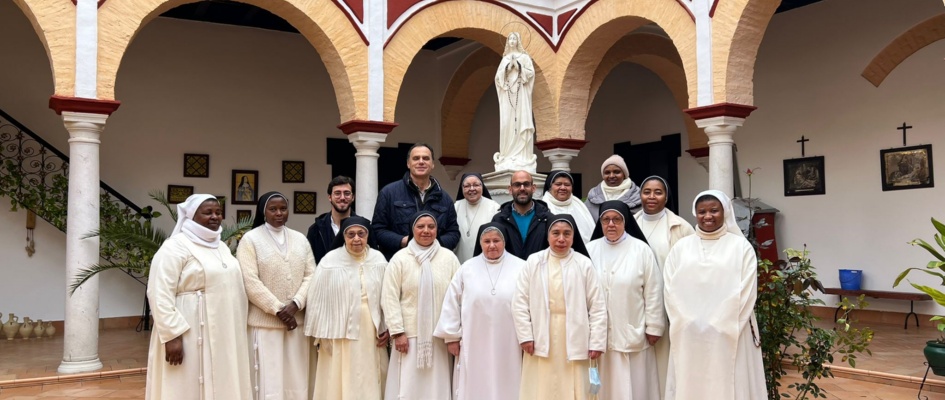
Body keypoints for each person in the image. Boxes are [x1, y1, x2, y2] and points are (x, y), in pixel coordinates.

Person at [146, 194, 252, 399]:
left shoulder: (221, 246)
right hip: (189, 330)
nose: (215, 216)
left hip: (224, 330)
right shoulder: (175, 246)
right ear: (192, 216)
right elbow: (159, 293)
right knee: (189, 382)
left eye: (218, 212)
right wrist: (171, 336)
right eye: (208, 212)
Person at [663, 190, 765, 400]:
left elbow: (746, 290)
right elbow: (670, 289)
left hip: (730, 329)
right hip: (688, 332)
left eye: (714, 211)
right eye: (702, 212)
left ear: (725, 212)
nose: (707, 216)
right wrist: (687, 320)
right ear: (695, 213)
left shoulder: (741, 248)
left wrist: (719, 323)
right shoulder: (681, 248)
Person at [512, 214, 606, 400]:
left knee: (576, 385)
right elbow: (520, 302)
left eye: (566, 234)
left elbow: (597, 306)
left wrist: (596, 341)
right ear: (548, 236)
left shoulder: (584, 264)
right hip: (540, 333)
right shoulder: (534, 262)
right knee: (541, 386)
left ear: (573, 237)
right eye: (556, 233)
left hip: (576, 334)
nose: (561, 239)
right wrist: (525, 336)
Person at [434, 222, 526, 400]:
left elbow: (530, 304)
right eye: (487, 241)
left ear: (504, 242)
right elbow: (452, 303)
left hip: (510, 341)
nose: (492, 245)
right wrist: (452, 337)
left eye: (496, 240)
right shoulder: (466, 269)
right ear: (481, 243)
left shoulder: (521, 267)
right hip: (474, 340)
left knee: (508, 381)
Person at [237, 192, 315, 400]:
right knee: (269, 378)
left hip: (296, 323)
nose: (279, 213)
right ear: (263, 212)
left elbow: (311, 275)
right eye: (273, 209)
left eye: (283, 208)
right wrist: (278, 309)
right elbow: (249, 281)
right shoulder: (250, 240)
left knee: (296, 376)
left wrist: (296, 304)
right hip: (266, 324)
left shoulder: (300, 239)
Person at [305, 216, 390, 400]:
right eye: (351, 234)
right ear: (344, 237)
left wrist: (387, 326)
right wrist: (323, 333)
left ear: (368, 235)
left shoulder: (379, 259)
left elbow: (388, 297)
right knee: (340, 374)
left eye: (361, 234)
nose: (356, 239)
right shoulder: (330, 261)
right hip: (339, 330)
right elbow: (317, 299)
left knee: (368, 372)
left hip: (371, 328)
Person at [587, 201, 663, 400]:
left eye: (617, 219)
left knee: (634, 386)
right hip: (598, 334)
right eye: (606, 220)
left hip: (632, 329)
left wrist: (654, 326)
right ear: (600, 223)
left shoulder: (641, 250)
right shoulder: (590, 249)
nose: (611, 224)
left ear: (625, 222)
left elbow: (653, 290)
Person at [382, 211, 461, 400]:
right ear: (412, 229)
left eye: (431, 227)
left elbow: (458, 298)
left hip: (440, 336)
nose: (426, 231)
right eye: (420, 227)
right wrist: (398, 332)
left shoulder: (449, 258)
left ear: (437, 230)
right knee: (408, 387)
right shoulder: (400, 259)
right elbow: (389, 297)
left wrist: (453, 334)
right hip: (408, 337)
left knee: (436, 389)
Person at [632, 175, 695, 398]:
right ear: (639, 195)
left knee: (665, 358)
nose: (651, 197)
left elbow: (691, 270)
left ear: (666, 197)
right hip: (636, 306)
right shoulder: (630, 224)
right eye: (646, 191)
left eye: (658, 192)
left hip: (669, 306)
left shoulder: (681, 227)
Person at [373, 143, 461, 260]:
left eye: (426, 158)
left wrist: (435, 243)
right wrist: (403, 241)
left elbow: (453, 232)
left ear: (432, 164)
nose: (421, 162)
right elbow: (377, 229)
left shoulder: (445, 198)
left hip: (434, 261)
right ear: (408, 164)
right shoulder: (388, 193)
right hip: (400, 262)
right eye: (416, 158)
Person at [494, 31, 537, 172]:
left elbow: (530, 73)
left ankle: (522, 156)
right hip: (508, 95)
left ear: (518, 41)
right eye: (510, 39)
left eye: (514, 38)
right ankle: (507, 154)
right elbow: (498, 78)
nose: (512, 41)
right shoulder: (504, 59)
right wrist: (508, 68)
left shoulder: (524, 57)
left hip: (521, 93)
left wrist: (518, 66)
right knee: (507, 122)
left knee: (521, 121)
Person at [307, 176, 371, 263]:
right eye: (337, 193)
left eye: (347, 193)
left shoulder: (365, 227)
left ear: (353, 197)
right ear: (329, 197)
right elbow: (310, 265)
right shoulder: (315, 230)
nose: (342, 197)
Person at [492, 170, 552, 259]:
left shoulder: (548, 218)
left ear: (533, 188)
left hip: (539, 271)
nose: (522, 188)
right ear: (510, 189)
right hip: (510, 272)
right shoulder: (499, 220)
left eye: (526, 184)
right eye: (517, 185)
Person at [453, 173, 500, 263]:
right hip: (460, 259)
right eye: (467, 186)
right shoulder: (456, 207)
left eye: (476, 185)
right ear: (462, 188)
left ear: (482, 186)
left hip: (486, 261)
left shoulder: (494, 207)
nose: (472, 189)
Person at [542, 171, 595, 243]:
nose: (563, 188)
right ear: (550, 187)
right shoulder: (542, 207)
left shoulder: (579, 205)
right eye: (558, 184)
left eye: (567, 184)